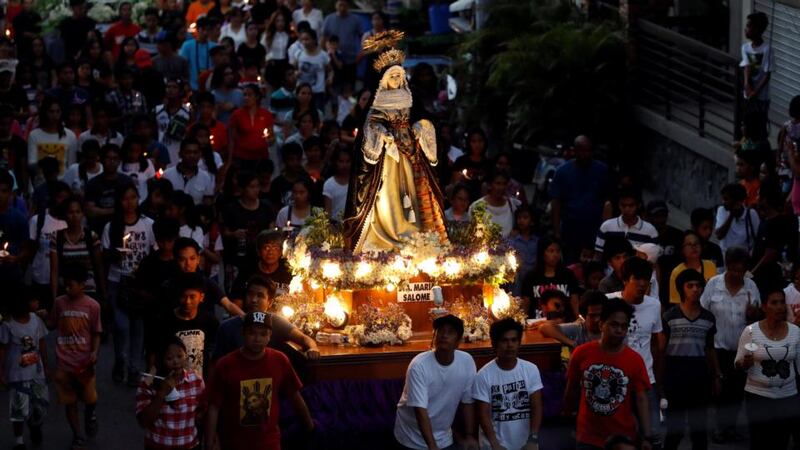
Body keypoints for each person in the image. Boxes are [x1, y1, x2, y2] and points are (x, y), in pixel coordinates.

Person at [343, 35, 446, 253]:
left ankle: (412, 232)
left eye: (400, 75)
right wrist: (383, 135)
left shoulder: (410, 97)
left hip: (410, 155)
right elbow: (370, 125)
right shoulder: (377, 102)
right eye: (393, 75)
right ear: (384, 78)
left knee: (411, 193)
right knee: (388, 197)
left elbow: (421, 118)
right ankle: (390, 233)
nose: (397, 79)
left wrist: (421, 127)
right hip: (388, 159)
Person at [206, 311, 315, 450]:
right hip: (233, 442)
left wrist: (310, 427)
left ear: (270, 336)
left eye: (263, 334)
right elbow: (214, 406)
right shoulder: (225, 364)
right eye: (252, 333)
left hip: (269, 442)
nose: (257, 339)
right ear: (243, 333)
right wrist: (210, 441)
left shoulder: (279, 360)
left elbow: (294, 395)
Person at [564, 297, 654, 450]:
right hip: (588, 437)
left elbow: (641, 399)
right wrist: (566, 419)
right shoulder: (582, 353)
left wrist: (647, 437)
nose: (619, 330)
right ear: (601, 325)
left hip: (623, 438)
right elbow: (571, 388)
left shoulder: (635, 360)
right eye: (614, 324)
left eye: (624, 326)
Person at [699, 246, 760, 443]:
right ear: (727, 266)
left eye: (740, 270)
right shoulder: (713, 285)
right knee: (718, 390)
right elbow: (703, 312)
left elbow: (758, 317)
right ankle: (717, 427)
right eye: (732, 269)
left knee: (736, 391)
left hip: (741, 349)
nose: (736, 274)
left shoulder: (751, 287)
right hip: (717, 348)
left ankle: (731, 427)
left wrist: (754, 313)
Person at [394, 314, 478, 450]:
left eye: (450, 332)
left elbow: (467, 402)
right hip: (411, 437)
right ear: (434, 337)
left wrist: (469, 436)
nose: (444, 335)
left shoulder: (466, 362)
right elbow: (420, 411)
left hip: (444, 436)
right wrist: (433, 447)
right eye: (441, 331)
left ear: (458, 341)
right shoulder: (419, 365)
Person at [735, 286, 800, 450]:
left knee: (781, 442)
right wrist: (745, 364)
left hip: (787, 396)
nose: (779, 307)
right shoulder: (750, 331)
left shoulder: (795, 332)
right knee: (759, 442)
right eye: (774, 303)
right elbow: (737, 363)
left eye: (782, 302)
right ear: (764, 307)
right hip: (758, 397)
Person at [662, 269, 721, 450]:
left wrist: (716, 375)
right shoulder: (670, 317)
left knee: (699, 429)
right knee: (675, 429)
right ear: (682, 289)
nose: (695, 289)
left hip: (699, 374)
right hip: (675, 373)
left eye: (698, 285)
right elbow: (661, 350)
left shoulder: (708, 318)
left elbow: (710, 348)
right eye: (690, 286)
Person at [102, 184, 155, 384]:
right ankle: (120, 359)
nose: (130, 202)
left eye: (133, 197)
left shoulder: (147, 224)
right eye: (125, 198)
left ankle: (133, 368)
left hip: (140, 283)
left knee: (137, 327)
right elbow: (105, 254)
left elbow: (153, 250)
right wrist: (115, 255)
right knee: (122, 326)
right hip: (118, 281)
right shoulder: (112, 226)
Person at [607, 256, 663, 442]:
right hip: (614, 378)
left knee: (653, 434)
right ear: (625, 280)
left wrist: (657, 377)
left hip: (645, 379)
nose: (641, 284)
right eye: (636, 279)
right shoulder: (608, 302)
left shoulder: (654, 305)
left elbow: (655, 343)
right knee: (617, 436)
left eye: (645, 280)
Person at [48, 264, 102, 450]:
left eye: (71, 284)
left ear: (82, 284)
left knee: (90, 398)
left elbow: (96, 332)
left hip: (84, 363)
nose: (67, 288)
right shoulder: (59, 303)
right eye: (65, 285)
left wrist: (94, 352)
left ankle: (90, 413)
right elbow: (52, 324)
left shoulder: (93, 306)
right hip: (63, 363)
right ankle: (77, 435)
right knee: (69, 402)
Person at [213, 274, 319, 361]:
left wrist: (313, 348)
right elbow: (216, 364)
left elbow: (304, 338)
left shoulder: (276, 322)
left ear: (269, 302)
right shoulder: (226, 327)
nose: (254, 300)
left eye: (260, 296)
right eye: (250, 294)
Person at [473, 318, 543, 450]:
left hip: (526, 444)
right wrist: (495, 445)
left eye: (514, 340)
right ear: (494, 344)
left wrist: (533, 438)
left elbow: (537, 406)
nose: (510, 345)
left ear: (519, 343)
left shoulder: (531, 369)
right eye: (504, 341)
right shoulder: (483, 375)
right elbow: (483, 415)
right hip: (494, 445)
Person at [135, 336, 205, 450]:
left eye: (180, 356)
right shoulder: (149, 382)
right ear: (161, 360)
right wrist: (161, 394)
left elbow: (202, 410)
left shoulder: (196, 380)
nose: (176, 362)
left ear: (186, 356)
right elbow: (143, 421)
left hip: (189, 445)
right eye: (169, 358)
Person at [0, 289, 49, 450]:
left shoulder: (36, 320)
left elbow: (42, 343)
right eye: (33, 300)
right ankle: (19, 441)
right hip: (18, 374)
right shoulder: (8, 325)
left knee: (40, 405)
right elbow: (3, 349)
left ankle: (35, 425)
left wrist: (46, 367)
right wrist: (1, 372)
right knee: (19, 409)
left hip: (37, 372)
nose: (36, 303)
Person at [148, 271, 219, 379]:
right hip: (170, 384)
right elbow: (154, 355)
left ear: (201, 297)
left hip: (199, 384)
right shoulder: (163, 321)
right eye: (183, 296)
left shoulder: (209, 321)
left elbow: (214, 355)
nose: (187, 301)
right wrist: (150, 380)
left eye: (192, 297)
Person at [549, 135, 608, 263]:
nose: (585, 154)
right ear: (574, 151)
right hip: (570, 229)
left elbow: (607, 201)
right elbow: (556, 202)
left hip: (595, 229)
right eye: (581, 150)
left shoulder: (601, 170)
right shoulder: (562, 172)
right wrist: (557, 231)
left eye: (588, 150)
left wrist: (605, 229)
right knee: (571, 264)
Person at [222, 171, 275, 273]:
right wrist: (234, 234)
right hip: (238, 258)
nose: (256, 190)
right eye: (252, 187)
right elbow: (224, 232)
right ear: (242, 189)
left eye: (257, 186)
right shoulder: (231, 208)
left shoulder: (266, 206)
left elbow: (272, 230)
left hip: (261, 257)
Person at [750, 183, 799, 290]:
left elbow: (770, 253)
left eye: (759, 196)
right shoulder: (764, 222)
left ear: (765, 200)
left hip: (770, 280)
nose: (757, 199)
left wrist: (752, 274)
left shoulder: (777, 224)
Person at [521, 238, 581, 318]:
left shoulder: (568, 275)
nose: (555, 255)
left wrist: (578, 319)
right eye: (551, 251)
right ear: (542, 254)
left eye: (558, 251)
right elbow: (526, 304)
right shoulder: (531, 277)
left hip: (565, 322)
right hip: (537, 323)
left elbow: (574, 301)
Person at [230, 230, 293, 301]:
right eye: (266, 247)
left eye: (275, 248)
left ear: (281, 252)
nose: (270, 252)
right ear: (258, 251)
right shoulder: (247, 271)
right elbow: (237, 300)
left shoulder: (288, 272)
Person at [84, 144, 134, 233]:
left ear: (119, 161)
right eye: (108, 158)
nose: (112, 161)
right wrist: (116, 210)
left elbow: (132, 207)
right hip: (98, 230)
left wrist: (101, 211)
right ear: (102, 160)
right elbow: (90, 211)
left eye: (115, 158)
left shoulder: (127, 182)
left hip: (124, 229)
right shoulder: (93, 183)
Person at [27, 96, 78, 178]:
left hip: (62, 184)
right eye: (51, 112)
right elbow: (31, 163)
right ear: (45, 113)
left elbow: (72, 166)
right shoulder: (34, 135)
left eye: (58, 111)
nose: (55, 115)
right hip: (40, 184)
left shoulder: (70, 135)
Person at [595, 188, 657, 255]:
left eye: (631, 205)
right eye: (623, 205)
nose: (627, 209)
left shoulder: (650, 231)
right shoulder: (606, 227)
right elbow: (598, 255)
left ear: (638, 205)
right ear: (619, 205)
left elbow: (653, 259)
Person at [227, 84, 275, 164]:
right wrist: (229, 161)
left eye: (250, 95)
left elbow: (271, 136)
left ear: (256, 97)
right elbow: (232, 140)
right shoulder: (236, 115)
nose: (246, 98)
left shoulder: (266, 114)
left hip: (261, 157)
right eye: (245, 95)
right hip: (242, 158)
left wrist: (270, 140)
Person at [667, 231, 717, 304]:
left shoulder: (710, 266)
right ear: (682, 249)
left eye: (696, 243)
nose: (694, 246)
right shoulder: (677, 272)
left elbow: (715, 294)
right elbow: (676, 302)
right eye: (689, 244)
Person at [321, 0, 362, 88]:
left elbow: (362, 37)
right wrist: (323, 54)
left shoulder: (355, 19)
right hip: (333, 60)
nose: (342, 8)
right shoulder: (329, 19)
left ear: (348, 6)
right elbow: (324, 38)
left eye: (345, 5)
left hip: (350, 59)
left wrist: (360, 53)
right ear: (336, 5)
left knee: (350, 86)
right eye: (340, 5)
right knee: (335, 86)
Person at [468, 171, 521, 238]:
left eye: (504, 184)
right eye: (498, 183)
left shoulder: (513, 205)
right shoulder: (476, 206)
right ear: (490, 185)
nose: (501, 187)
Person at [740, 12, 773, 121]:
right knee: (746, 124)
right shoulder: (745, 47)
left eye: (749, 26)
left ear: (757, 30)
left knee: (760, 126)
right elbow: (747, 67)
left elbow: (767, 74)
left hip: (761, 97)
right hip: (748, 94)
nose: (746, 29)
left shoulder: (767, 49)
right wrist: (746, 85)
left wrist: (756, 92)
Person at [162, 137, 215, 206]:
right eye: (188, 152)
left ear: (200, 155)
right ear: (180, 154)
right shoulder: (167, 175)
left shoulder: (205, 177)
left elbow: (208, 204)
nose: (192, 156)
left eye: (195, 152)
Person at [154, 78, 192, 167]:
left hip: (179, 153)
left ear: (180, 91)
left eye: (174, 87)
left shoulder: (188, 112)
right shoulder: (156, 110)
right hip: (162, 153)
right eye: (168, 87)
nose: (170, 90)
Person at [715, 183, 759, 255]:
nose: (723, 202)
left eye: (726, 199)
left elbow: (757, 239)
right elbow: (719, 235)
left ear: (737, 201)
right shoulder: (722, 210)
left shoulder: (751, 214)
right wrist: (731, 215)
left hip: (744, 259)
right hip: (725, 256)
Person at [180, 17, 217, 90]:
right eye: (203, 29)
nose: (205, 32)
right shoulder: (187, 45)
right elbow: (182, 65)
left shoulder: (214, 46)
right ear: (198, 29)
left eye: (208, 30)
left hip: (210, 86)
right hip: (192, 86)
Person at [323, 147, 350, 222]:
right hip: (335, 225)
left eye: (347, 161)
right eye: (341, 161)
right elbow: (328, 211)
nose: (344, 165)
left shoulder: (356, 182)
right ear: (335, 162)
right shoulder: (329, 184)